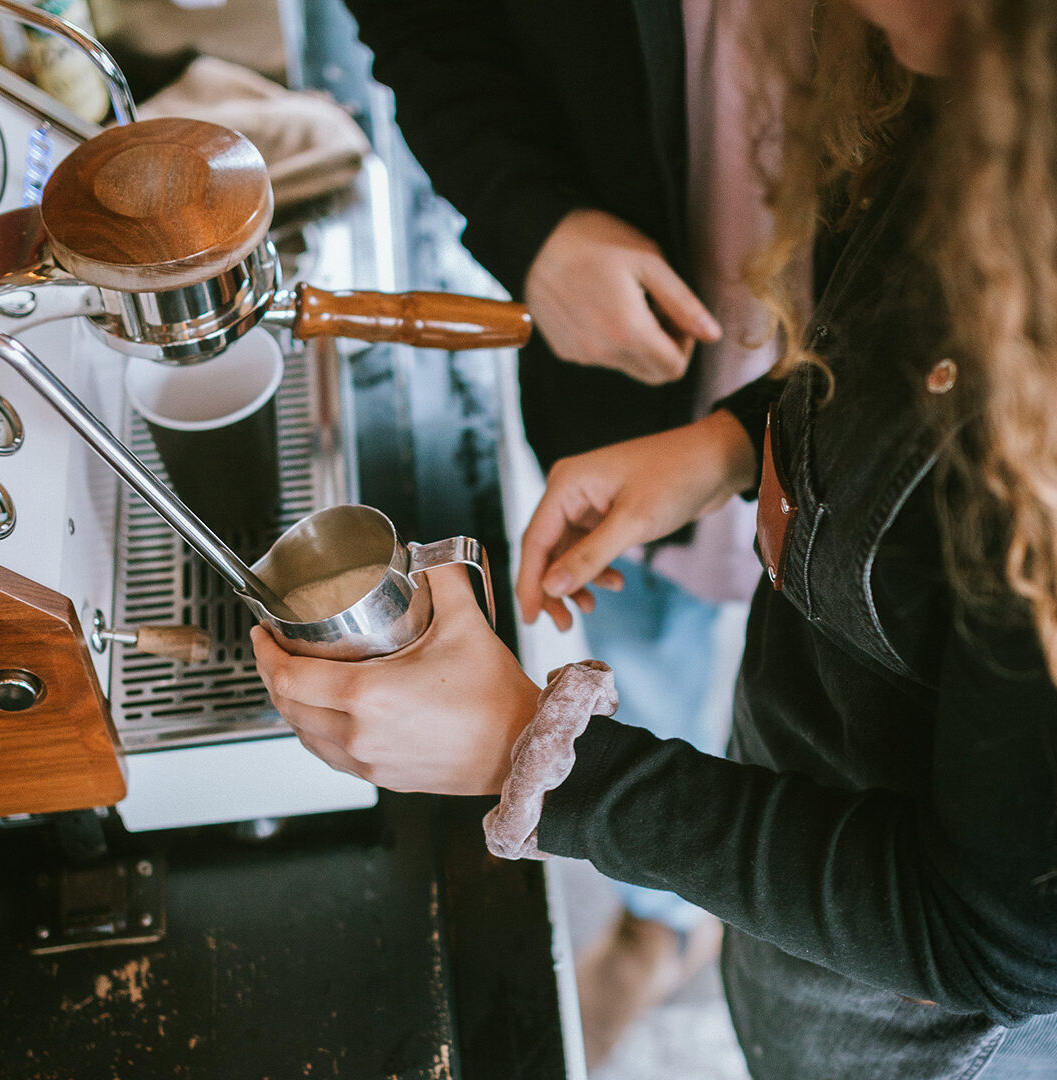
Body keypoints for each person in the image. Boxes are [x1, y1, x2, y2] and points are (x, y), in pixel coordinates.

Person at [252, 1, 1057, 1077]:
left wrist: (536, 760)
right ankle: (665, 935)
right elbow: (905, 353)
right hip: (806, 939)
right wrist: (731, 442)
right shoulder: (979, 111)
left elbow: (998, 941)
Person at [337, 0, 783, 1062]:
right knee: (648, 652)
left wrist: (527, 758)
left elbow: (971, 919)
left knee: (825, 724)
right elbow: (426, 26)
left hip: (884, 431)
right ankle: (660, 924)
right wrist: (533, 222)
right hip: (632, 397)